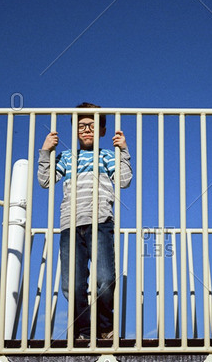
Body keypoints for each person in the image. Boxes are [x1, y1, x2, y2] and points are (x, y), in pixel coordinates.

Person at [38, 102, 132, 341]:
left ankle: (104, 326)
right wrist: (45, 151)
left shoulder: (107, 156)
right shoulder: (67, 158)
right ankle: (82, 330)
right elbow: (46, 181)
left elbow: (124, 180)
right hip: (70, 225)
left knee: (105, 279)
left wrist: (124, 150)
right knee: (72, 284)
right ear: (74, 131)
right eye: (81, 126)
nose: (87, 130)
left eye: (93, 125)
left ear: (102, 131)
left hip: (100, 222)